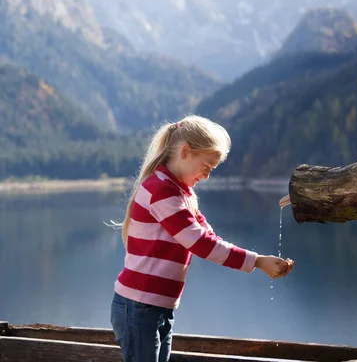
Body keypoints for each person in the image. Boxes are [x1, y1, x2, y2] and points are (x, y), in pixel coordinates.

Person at [111, 115, 294, 362]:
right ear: (185, 152)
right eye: (206, 167)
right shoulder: (162, 191)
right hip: (139, 306)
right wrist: (258, 262)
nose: (207, 176)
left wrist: (260, 260)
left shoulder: (180, 192)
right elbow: (201, 244)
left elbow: (207, 234)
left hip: (156, 307)